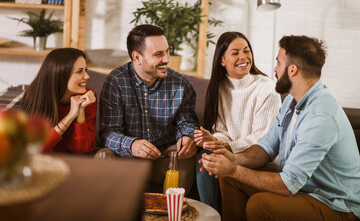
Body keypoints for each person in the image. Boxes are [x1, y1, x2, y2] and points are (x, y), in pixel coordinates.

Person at [200, 35, 360, 221]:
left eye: (278, 62)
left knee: (259, 204)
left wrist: (234, 168)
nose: (274, 68)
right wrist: (233, 159)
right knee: (229, 177)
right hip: (303, 188)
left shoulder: (320, 115)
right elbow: (266, 147)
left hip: (336, 204)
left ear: (292, 70)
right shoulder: (292, 100)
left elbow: (288, 183)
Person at [99, 24, 199, 194]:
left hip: (165, 157)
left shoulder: (181, 84)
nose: (167, 59)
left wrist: (187, 136)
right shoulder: (115, 81)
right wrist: (131, 145)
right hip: (127, 158)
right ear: (137, 57)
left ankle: (171, 213)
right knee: (102, 156)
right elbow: (108, 132)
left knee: (187, 156)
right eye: (158, 54)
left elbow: (187, 122)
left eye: (167, 51)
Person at [193, 31, 281, 213]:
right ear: (222, 61)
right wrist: (215, 141)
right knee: (204, 157)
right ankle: (212, 215)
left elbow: (262, 137)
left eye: (246, 51)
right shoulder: (219, 88)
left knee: (215, 159)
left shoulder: (267, 89)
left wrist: (228, 146)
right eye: (235, 53)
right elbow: (220, 127)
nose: (243, 57)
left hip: (260, 157)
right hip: (230, 151)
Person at [22, 48, 97, 153]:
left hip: (73, 162)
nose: (87, 76)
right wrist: (70, 116)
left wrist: (80, 111)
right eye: (79, 71)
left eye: (86, 70)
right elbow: (36, 147)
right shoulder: (34, 96)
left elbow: (82, 149)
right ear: (60, 74)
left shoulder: (88, 98)